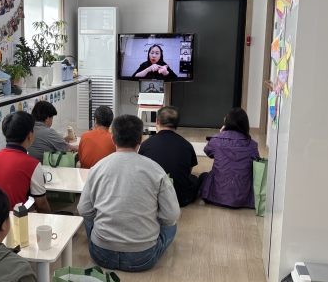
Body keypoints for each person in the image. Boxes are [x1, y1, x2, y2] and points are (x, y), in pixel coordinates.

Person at [78, 115, 180, 272]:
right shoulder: (155, 169)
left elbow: (84, 210)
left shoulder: (97, 168)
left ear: (113, 138)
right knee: (171, 226)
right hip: (143, 258)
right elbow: (171, 216)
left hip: (100, 254)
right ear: (140, 140)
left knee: (89, 219)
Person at [0, 111, 51, 213]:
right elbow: (41, 204)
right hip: (15, 219)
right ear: (30, 135)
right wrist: (49, 220)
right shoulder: (32, 164)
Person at [138, 106, 199, 207]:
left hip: (151, 199)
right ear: (177, 124)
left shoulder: (146, 144)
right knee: (195, 178)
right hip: (180, 199)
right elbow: (189, 170)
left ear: (157, 121)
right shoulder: (187, 145)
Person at [199, 107, 260, 208]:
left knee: (203, 176)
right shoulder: (252, 145)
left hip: (216, 197)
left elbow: (208, 152)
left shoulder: (216, 140)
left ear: (227, 122)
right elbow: (256, 163)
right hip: (243, 199)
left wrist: (221, 134)